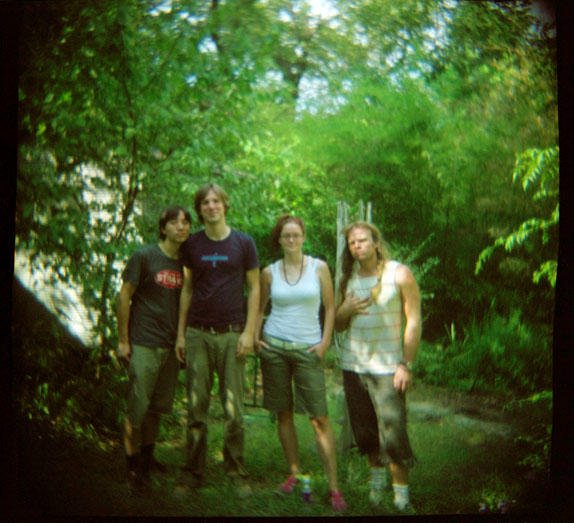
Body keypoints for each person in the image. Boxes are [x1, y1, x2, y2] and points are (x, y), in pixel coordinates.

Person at [255, 214, 348, 512]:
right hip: (275, 348)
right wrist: (255, 336)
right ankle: (294, 474)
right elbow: (260, 307)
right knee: (283, 414)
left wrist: (325, 342)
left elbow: (330, 308)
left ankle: (334, 488)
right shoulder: (269, 272)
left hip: (308, 350)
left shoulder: (319, 268)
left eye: (296, 234)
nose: (292, 239)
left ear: (304, 237)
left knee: (319, 418)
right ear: (280, 240)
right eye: (286, 235)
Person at [175, 183, 260, 497]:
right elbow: (186, 289)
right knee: (196, 408)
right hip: (198, 334)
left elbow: (255, 289)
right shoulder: (192, 245)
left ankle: (236, 470)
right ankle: (192, 473)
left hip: (231, 334)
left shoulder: (243, 243)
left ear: (225, 205)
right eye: (205, 203)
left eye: (216, 201)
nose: (211, 206)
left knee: (234, 409)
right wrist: (181, 335)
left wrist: (249, 332)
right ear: (200, 210)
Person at [334, 221, 421, 513]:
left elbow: (414, 321)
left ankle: (401, 497)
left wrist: (405, 364)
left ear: (376, 243)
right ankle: (376, 487)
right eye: (351, 243)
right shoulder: (347, 279)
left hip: (388, 368)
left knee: (393, 432)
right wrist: (345, 309)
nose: (356, 246)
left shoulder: (399, 274)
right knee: (366, 432)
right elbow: (338, 324)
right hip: (354, 365)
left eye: (362, 240)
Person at [116, 205, 192, 492]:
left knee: (156, 410)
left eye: (185, 222)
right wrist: (123, 340)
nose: (181, 227)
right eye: (174, 222)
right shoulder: (144, 256)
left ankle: (147, 459)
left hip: (170, 346)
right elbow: (124, 297)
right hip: (144, 342)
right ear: (163, 228)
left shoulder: (186, 264)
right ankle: (132, 467)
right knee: (137, 408)